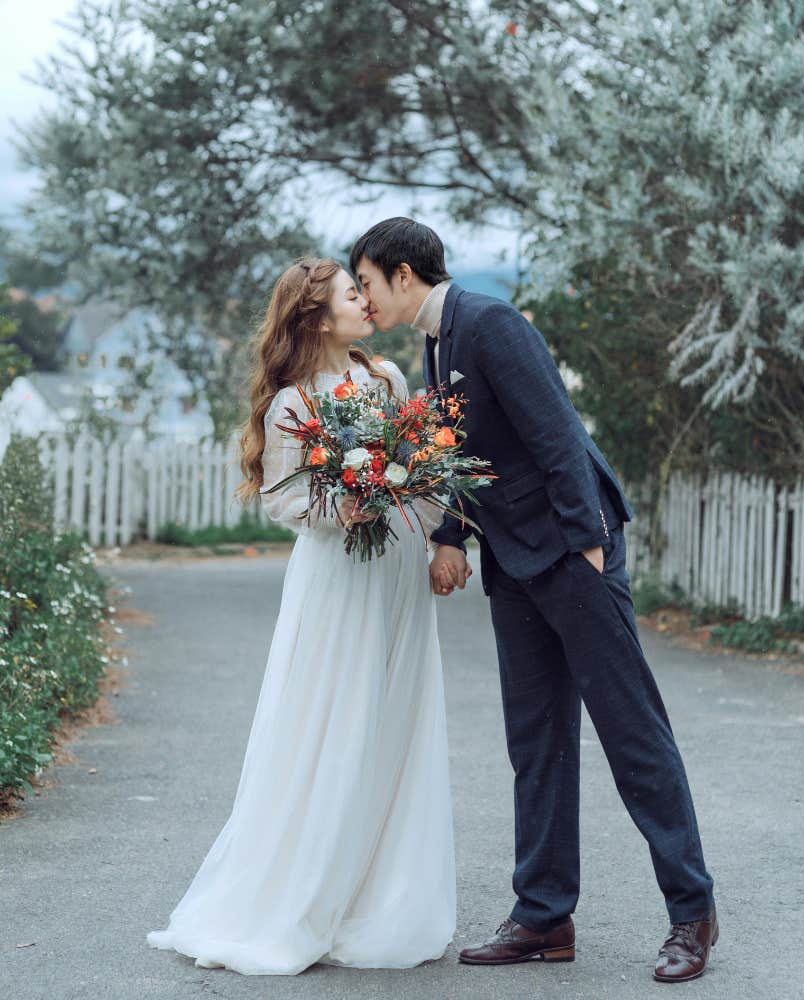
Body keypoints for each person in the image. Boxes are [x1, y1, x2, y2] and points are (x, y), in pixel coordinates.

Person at [350, 219, 718, 984]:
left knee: (632, 733)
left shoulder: (489, 324)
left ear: (404, 276)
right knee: (536, 738)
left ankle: (692, 913)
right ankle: (544, 918)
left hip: (571, 551)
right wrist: (449, 534)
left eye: (367, 282)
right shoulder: (437, 342)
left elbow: (555, 430)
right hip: (514, 559)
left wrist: (587, 541)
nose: (362, 297)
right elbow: (460, 449)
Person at [146, 258, 455, 975]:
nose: (366, 302)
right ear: (317, 316)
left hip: (399, 571)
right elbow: (284, 499)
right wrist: (344, 504)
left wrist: (439, 533)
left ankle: (384, 895)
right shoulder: (292, 403)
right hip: (339, 575)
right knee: (333, 721)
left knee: (393, 719)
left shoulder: (387, 381)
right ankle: (305, 896)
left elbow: (429, 467)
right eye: (354, 294)